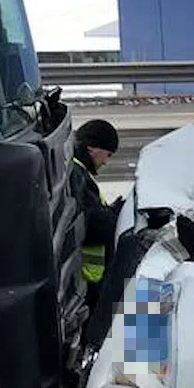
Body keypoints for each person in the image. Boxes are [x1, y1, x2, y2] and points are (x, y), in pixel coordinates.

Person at [71, 118, 121, 290]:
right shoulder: (77, 177)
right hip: (88, 280)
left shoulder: (76, 171)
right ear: (92, 148)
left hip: (87, 277)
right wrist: (114, 216)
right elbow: (94, 225)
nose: (106, 162)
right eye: (107, 155)